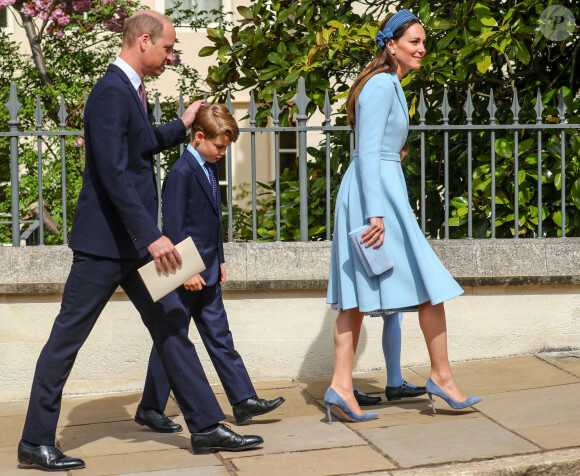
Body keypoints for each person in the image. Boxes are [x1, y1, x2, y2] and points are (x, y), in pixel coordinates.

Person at [18, 11, 262, 472]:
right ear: (144, 41)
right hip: (105, 247)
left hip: (132, 245)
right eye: (168, 48)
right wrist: (153, 237)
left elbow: (140, 145)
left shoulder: (131, 91)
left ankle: (206, 428)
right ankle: (35, 441)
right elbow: (112, 174)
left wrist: (182, 123)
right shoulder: (110, 92)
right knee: (65, 341)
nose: (171, 56)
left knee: (172, 326)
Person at [325, 9, 482, 423]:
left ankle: (348, 386)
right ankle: (437, 377)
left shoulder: (390, 83)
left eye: (423, 42)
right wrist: (375, 213)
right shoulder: (379, 84)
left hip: (382, 193)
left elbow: (377, 146)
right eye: (414, 41)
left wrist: (393, 154)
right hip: (373, 199)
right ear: (391, 45)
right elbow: (365, 155)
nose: (422, 48)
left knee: (370, 296)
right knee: (415, 287)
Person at [136, 104, 285, 433]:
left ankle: (243, 398)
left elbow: (213, 223)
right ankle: (149, 407)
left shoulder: (208, 166)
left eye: (226, 148)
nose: (222, 152)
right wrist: (185, 270)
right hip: (186, 273)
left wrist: (219, 261)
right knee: (172, 337)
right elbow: (173, 227)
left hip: (208, 269)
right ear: (199, 137)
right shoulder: (181, 173)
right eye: (219, 146)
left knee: (220, 335)